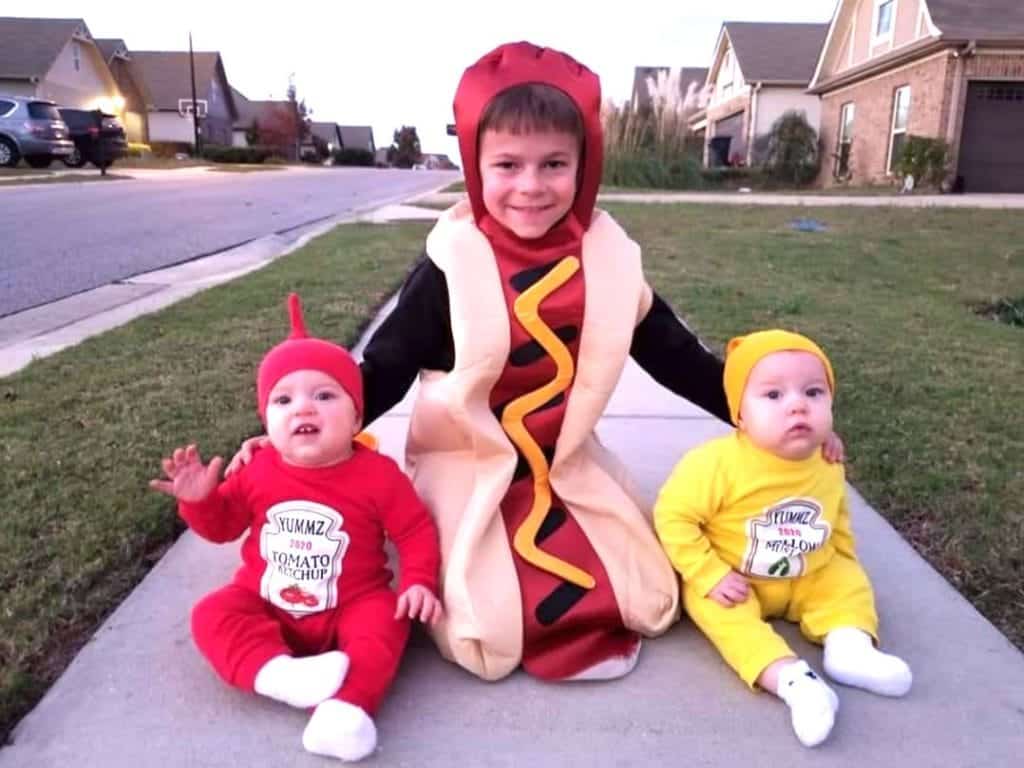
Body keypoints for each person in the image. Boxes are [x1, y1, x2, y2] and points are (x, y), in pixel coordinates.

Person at [228, 41, 843, 683]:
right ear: (475, 167)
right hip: (467, 460)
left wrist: (769, 420)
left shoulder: (606, 262)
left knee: (647, 595)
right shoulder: (450, 267)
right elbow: (381, 368)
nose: (530, 186)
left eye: (554, 164)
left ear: (584, 166)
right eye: (507, 165)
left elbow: (677, 358)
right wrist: (302, 435)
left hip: (565, 460)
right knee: (484, 628)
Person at [150, 294, 441, 762]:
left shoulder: (379, 475)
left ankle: (347, 711)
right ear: (266, 420)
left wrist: (419, 581)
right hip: (266, 601)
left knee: (387, 622)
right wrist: (201, 502)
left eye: (324, 395)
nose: (303, 409)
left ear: (356, 416)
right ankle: (281, 676)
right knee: (212, 613)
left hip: (353, 601)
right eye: (284, 399)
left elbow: (415, 531)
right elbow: (224, 528)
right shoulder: (257, 469)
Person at [653, 330, 911, 748]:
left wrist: (844, 557)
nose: (797, 405)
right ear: (739, 414)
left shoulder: (826, 458)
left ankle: (850, 648)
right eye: (772, 396)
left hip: (810, 569)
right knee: (719, 614)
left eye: (813, 392)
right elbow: (673, 517)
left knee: (845, 582)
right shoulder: (715, 465)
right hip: (737, 577)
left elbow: (835, 515)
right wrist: (709, 573)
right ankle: (795, 682)